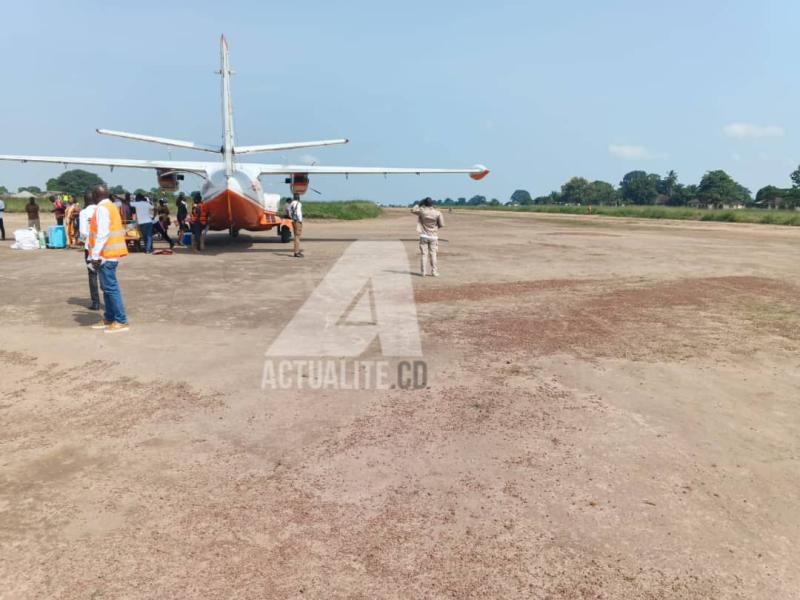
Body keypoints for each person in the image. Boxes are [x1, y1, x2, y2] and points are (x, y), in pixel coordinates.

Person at [88, 185, 129, 332]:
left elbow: (103, 233)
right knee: (106, 289)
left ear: (95, 195)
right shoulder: (110, 206)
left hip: (105, 256)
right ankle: (109, 317)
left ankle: (121, 320)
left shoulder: (102, 209)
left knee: (111, 289)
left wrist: (95, 255)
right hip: (108, 255)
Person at [78, 192, 101, 310]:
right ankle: (108, 301)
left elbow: (82, 232)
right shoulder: (101, 210)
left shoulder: (83, 213)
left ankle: (96, 302)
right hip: (103, 247)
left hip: (90, 248)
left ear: (85, 201)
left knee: (92, 274)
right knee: (104, 274)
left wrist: (83, 240)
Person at [411, 197, 444, 277]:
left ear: (424, 204)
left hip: (424, 235)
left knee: (424, 254)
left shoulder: (422, 211)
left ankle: (423, 272)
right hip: (433, 236)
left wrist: (419, 203)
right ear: (432, 204)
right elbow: (442, 224)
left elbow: (413, 210)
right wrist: (435, 228)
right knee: (433, 254)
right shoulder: (437, 213)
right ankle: (434, 272)